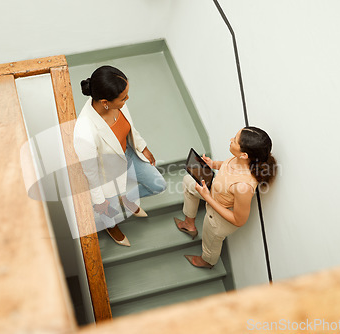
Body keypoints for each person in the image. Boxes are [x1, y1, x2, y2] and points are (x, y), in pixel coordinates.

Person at [73, 65, 167, 247]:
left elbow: (130, 126)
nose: (127, 99)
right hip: (107, 173)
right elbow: (91, 176)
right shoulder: (84, 132)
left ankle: (127, 199)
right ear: (104, 102)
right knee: (109, 210)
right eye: (123, 98)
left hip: (128, 154)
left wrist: (142, 146)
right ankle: (111, 226)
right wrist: (101, 203)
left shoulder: (119, 103)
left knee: (159, 185)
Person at [174, 126, 277, 268]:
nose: (231, 140)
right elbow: (227, 165)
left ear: (244, 155)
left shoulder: (243, 186)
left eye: (234, 140)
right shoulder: (238, 159)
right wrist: (212, 164)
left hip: (219, 218)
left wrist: (208, 198)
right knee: (188, 181)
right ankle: (189, 224)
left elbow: (238, 220)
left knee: (210, 242)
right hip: (214, 193)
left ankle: (207, 262)